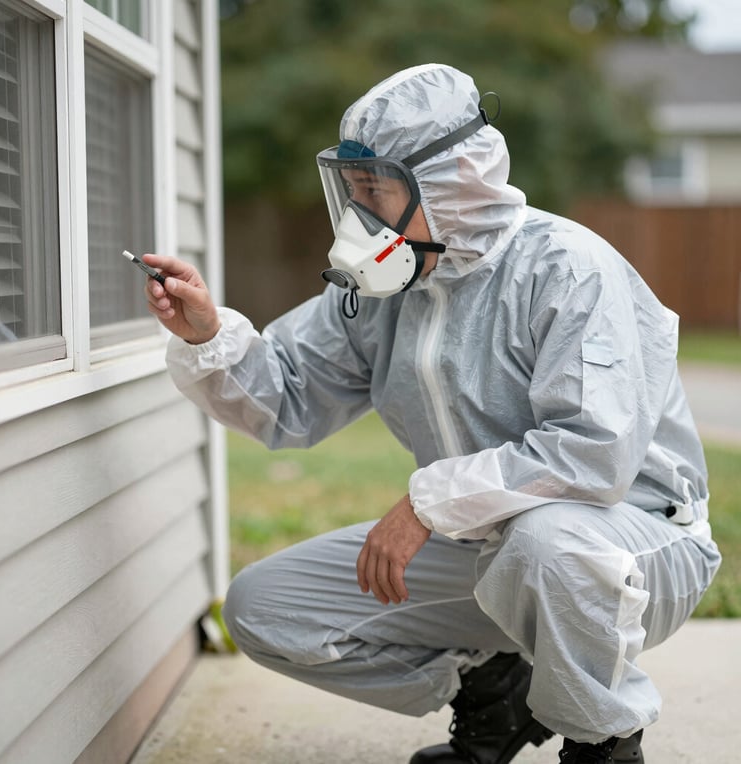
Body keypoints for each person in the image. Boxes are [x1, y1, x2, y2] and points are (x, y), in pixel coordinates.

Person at [144, 63, 721, 764]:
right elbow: (288, 400)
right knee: (266, 609)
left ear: (451, 181)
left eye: (376, 191)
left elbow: (592, 455)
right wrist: (207, 333)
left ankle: (603, 740)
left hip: (635, 541)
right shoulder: (390, 285)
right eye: (352, 192)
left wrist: (425, 505)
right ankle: (492, 686)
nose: (362, 215)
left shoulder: (568, 269)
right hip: (486, 543)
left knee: (548, 544)